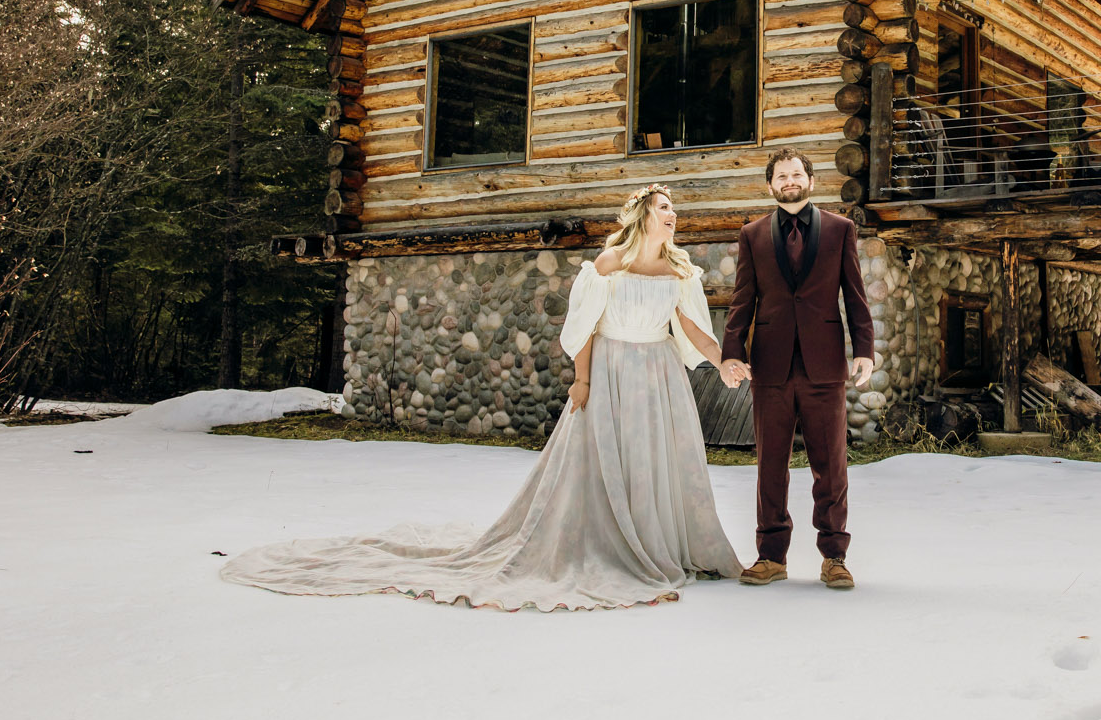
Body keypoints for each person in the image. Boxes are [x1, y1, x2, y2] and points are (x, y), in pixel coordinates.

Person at [221, 185, 743, 611]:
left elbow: (696, 331)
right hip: (610, 369)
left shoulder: (681, 270)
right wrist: (581, 380)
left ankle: (661, 544)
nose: (673, 215)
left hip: (657, 373)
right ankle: (613, 547)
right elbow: (582, 327)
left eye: (674, 209)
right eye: (664, 207)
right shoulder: (607, 264)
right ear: (641, 216)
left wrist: (723, 361)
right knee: (610, 458)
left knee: (657, 461)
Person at [719, 148, 876, 590]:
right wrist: (732, 352)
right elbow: (742, 299)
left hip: (824, 363)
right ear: (770, 185)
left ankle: (835, 556)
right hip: (769, 365)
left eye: (796, 173)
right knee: (771, 463)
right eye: (781, 175)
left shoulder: (840, 230)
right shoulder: (752, 234)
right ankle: (771, 556)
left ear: (811, 179)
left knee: (832, 465)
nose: (789, 181)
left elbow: (855, 294)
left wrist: (864, 348)